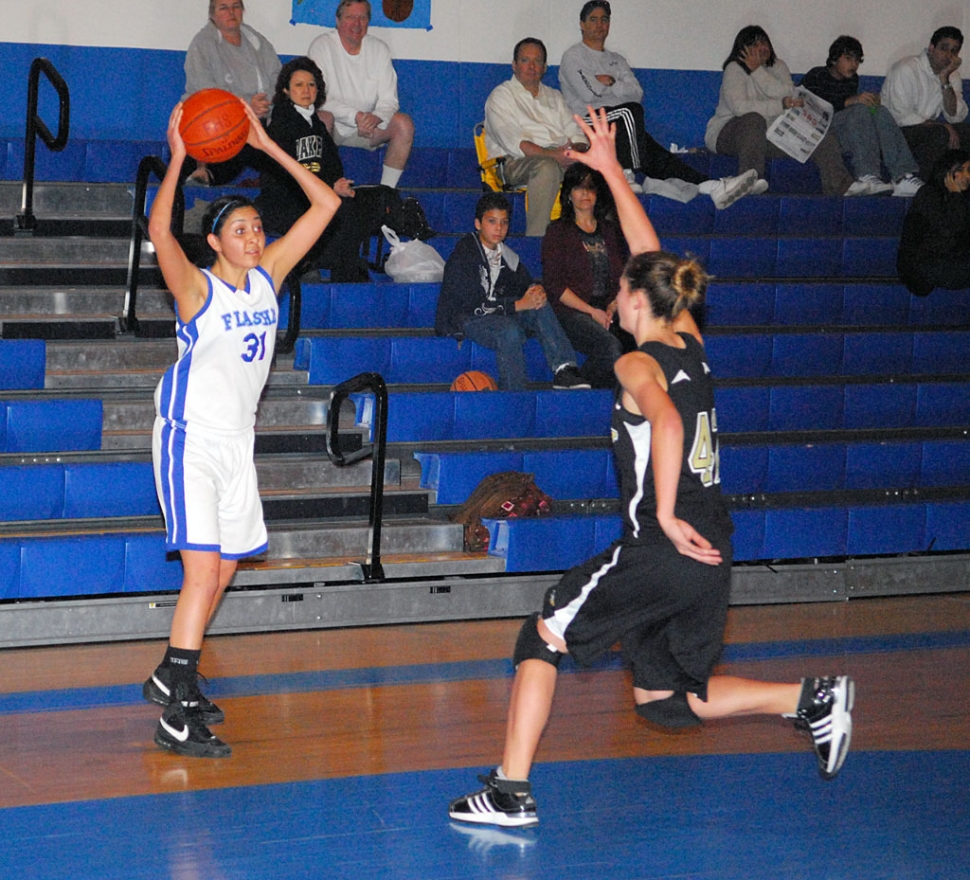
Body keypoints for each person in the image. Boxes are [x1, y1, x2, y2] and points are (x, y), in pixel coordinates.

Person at [448, 109, 855, 828]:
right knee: (665, 700)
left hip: (666, 543)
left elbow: (665, 422)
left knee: (540, 633)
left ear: (636, 301)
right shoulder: (690, 339)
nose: (619, 288)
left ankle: (510, 791)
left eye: (626, 285)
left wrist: (662, 516)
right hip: (713, 547)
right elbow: (652, 249)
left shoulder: (637, 360)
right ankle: (809, 699)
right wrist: (607, 168)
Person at [142, 101, 340, 757]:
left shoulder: (269, 279)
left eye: (259, 227)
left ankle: (172, 670)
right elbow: (161, 233)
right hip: (189, 439)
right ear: (217, 241)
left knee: (223, 571)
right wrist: (178, 158)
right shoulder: (197, 289)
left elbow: (325, 207)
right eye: (243, 229)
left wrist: (262, 145)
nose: (256, 237)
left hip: (236, 445)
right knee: (202, 576)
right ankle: (176, 707)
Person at [559, 0, 757, 208]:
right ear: (582, 24)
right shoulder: (574, 57)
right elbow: (589, 94)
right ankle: (627, 173)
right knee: (630, 113)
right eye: (593, 20)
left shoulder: (617, 60)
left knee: (660, 157)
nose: (599, 25)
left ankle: (711, 185)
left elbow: (636, 93)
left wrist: (609, 81)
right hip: (589, 120)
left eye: (604, 20)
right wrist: (615, 89)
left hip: (621, 124)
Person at [435, 191, 590, 391]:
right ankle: (514, 392)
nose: (499, 228)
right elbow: (473, 307)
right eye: (492, 221)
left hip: (498, 313)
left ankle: (565, 369)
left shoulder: (507, 256)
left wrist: (536, 291)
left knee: (538, 305)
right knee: (508, 330)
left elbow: (526, 284)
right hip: (467, 318)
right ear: (478, 224)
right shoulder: (464, 256)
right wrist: (517, 305)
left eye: (504, 222)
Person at [705, 26, 860, 196]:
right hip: (729, 133)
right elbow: (739, 108)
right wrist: (779, 105)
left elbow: (787, 94)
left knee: (821, 136)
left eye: (764, 42)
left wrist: (757, 71)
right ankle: (750, 181)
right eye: (754, 44)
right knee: (754, 120)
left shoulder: (778, 66)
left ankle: (843, 186)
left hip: (771, 134)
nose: (761, 47)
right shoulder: (734, 68)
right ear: (744, 50)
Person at [257, 56, 371, 282]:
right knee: (319, 212)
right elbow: (282, 176)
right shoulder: (280, 123)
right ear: (286, 91)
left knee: (350, 208)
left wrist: (337, 185)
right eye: (299, 85)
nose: (306, 90)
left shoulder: (316, 123)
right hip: (284, 200)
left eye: (311, 85)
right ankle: (307, 264)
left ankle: (345, 273)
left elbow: (333, 164)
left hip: (314, 195)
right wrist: (328, 188)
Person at [484, 37, 588, 237]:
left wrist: (573, 153)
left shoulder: (555, 97)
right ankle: (537, 241)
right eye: (525, 60)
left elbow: (578, 136)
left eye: (537, 61)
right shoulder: (501, 96)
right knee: (546, 167)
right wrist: (555, 156)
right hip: (515, 162)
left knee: (598, 171)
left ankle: (592, 242)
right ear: (514, 65)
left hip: (561, 157)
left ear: (545, 67)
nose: (531, 66)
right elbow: (515, 143)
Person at [541, 163, 630, 388]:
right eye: (579, 188)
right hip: (571, 311)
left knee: (639, 343)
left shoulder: (611, 230)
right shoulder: (557, 231)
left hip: (609, 307)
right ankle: (578, 385)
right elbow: (554, 285)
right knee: (611, 348)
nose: (585, 194)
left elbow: (624, 275)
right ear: (569, 193)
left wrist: (612, 306)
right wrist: (592, 311)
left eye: (591, 188)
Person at [308, 0, 414, 189]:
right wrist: (356, 116)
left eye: (362, 17)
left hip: (367, 127)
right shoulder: (322, 46)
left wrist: (376, 117)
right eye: (350, 17)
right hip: (333, 127)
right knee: (322, 118)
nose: (356, 24)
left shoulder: (379, 49)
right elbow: (319, 98)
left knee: (404, 124)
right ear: (338, 21)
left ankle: (386, 193)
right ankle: (319, 189)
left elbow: (390, 100)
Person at [801, 36, 923, 198]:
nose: (854, 65)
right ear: (835, 59)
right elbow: (811, 107)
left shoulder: (852, 80)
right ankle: (867, 174)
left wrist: (871, 103)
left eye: (857, 61)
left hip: (848, 132)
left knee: (879, 111)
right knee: (859, 109)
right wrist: (851, 101)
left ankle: (902, 176)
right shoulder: (817, 75)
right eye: (849, 59)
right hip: (823, 133)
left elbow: (853, 113)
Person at [183, 0, 282, 185]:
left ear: (243, 11)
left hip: (262, 113)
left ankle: (275, 186)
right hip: (218, 119)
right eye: (224, 8)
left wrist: (264, 103)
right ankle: (204, 177)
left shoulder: (256, 40)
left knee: (287, 131)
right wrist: (246, 105)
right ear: (212, 15)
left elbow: (278, 76)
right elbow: (205, 90)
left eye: (236, 6)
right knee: (235, 136)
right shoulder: (202, 44)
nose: (231, 12)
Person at [881, 26, 970, 183]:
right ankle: (926, 189)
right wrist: (941, 126)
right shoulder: (906, 68)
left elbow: (955, 116)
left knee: (966, 132)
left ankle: (959, 189)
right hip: (893, 133)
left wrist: (944, 79)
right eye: (944, 48)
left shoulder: (951, 74)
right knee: (939, 134)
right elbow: (900, 116)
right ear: (931, 48)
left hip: (925, 129)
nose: (948, 55)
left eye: (954, 51)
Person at [897, 148, 970, 296]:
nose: (966, 176)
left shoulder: (965, 199)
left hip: (950, 260)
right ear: (947, 173)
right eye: (960, 170)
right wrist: (955, 195)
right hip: (923, 265)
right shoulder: (928, 194)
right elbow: (949, 229)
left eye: (969, 170)